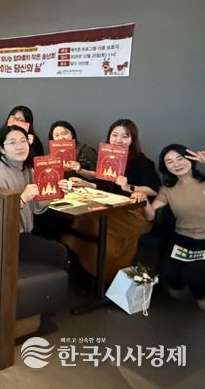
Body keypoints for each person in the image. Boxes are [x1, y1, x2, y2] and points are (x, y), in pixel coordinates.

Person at [61, 119, 160, 283]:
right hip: (112, 207)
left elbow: (154, 189)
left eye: (125, 136)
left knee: (96, 224)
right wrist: (85, 182)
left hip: (135, 212)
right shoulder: (107, 157)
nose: (118, 140)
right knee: (86, 220)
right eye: (114, 135)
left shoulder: (141, 161)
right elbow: (103, 184)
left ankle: (103, 278)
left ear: (132, 139)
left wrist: (129, 187)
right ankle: (89, 273)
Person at [0, 125, 69, 272]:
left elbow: (37, 208)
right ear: (2, 149)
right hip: (8, 239)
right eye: (12, 142)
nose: (20, 146)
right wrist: (22, 198)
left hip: (26, 234)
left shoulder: (27, 169)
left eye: (23, 141)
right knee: (61, 253)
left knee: (64, 250)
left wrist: (55, 191)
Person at [140, 145, 205, 310]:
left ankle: (200, 295)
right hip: (182, 239)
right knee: (168, 272)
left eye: (180, 159)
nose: (176, 164)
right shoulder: (167, 189)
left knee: (195, 275)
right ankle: (184, 289)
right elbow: (151, 215)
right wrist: (143, 200)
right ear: (165, 167)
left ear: (190, 159)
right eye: (169, 162)